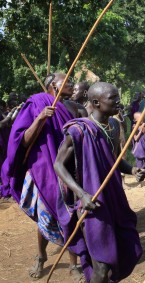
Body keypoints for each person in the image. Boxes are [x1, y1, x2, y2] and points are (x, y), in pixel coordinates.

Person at [54, 82, 145, 282]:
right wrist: (82, 194)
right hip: (92, 204)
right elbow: (58, 165)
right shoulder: (78, 130)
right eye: (113, 98)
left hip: (113, 200)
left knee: (119, 257)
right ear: (96, 102)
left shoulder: (111, 126)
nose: (118, 101)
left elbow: (112, 160)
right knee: (102, 267)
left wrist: (132, 169)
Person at [0, 73, 83, 280]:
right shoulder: (35, 104)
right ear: (53, 86)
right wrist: (40, 118)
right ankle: (41, 257)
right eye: (67, 82)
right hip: (43, 170)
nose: (72, 85)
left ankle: (74, 264)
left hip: (67, 168)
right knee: (46, 216)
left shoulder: (72, 107)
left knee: (71, 216)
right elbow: (22, 141)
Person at [132, 111, 145, 186]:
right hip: (139, 149)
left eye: (142, 117)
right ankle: (139, 182)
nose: (142, 119)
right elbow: (135, 139)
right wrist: (141, 131)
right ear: (135, 120)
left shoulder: (144, 126)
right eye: (140, 118)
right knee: (140, 165)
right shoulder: (134, 127)